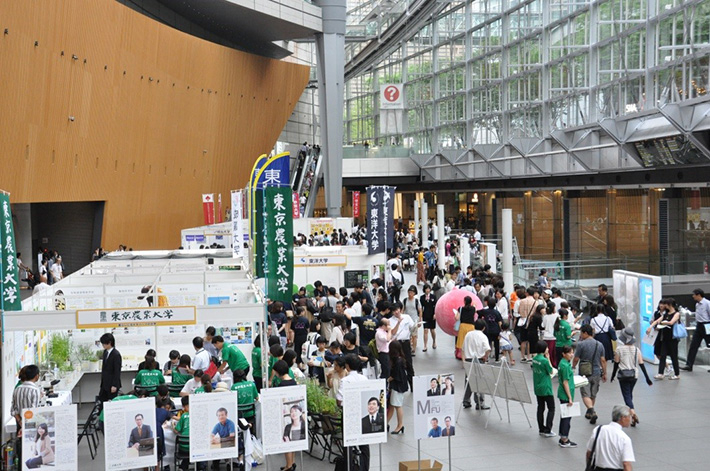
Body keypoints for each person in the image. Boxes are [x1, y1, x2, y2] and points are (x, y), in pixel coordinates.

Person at [611, 327, 653, 426]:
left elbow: (616, 364)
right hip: (634, 375)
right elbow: (641, 364)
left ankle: (632, 414)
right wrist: (647, 378)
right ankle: (631, 415)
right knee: (629, 394)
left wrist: (612, 376)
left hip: (623, 375)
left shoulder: (619, 349)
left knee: (626, 396)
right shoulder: (636, 349)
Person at [573, 325, 607, 425]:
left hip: (584, 372)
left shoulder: (581, 344)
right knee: (593, 393)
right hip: (596, 372)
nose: (581, 335)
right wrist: (604, 373)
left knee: (585, 393)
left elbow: (576, 358)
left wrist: (573, 366)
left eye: (582, 333)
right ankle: (589, 412)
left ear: (586, 333)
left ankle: (591, 410)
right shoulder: (599, 344)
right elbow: (603, 360)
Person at [586, 405, 635, 471]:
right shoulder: (624, 438)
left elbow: (589, 453)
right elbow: (626, 463)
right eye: (629, 416)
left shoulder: (598, 430)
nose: (630, 419)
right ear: (623, 418)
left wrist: (588, 467)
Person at [11, 364, 41, 464]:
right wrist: (25, 426)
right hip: (30, 425)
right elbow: (33, 411)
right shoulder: (35, 390)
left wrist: (20, 423)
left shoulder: (17, 389)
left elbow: (13, 410)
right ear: (36, 376)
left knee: (21, 451)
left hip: (19, 424)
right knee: (32, 451)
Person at [647, 298, 681, 380]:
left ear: (670, 305)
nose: (664, 305)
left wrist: (664, 322)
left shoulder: (676, 314)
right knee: (662, 355)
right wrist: (650, 327)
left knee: (673, 356)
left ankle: (677, 374)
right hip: (665, 338)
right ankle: (660, 373)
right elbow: (657, 321)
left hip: (673, 338)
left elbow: (671, 322)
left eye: (666, 304)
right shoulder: (666, 314)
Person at [462, 319, 491, 410]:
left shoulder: (468, 335)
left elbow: (463, 348)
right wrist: (485, 357)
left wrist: (464, 361)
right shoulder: (483, 336)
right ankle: (479, 402)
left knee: (468, 381)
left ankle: (466, 401)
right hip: (479, 360)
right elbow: (487, 349)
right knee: (479, 382)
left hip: (468, 359)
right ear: (483, 327)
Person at [532, 340, 556, 437]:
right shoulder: (544, 360)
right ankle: (548, 429)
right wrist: (548, 358)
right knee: (551, 408)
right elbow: (550, 370)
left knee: (540, 407)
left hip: (537, 386)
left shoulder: (534, 359)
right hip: (546, 387)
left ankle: (541, 428)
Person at [682, 288, 710, 372]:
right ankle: (689, 364)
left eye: (694, 294)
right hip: (699, 325)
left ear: (698, 295)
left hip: (707, 325)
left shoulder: (707, 303)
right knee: (693, 345)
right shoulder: (697, 304)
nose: (693, 296)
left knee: (709, 345)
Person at [390, 302, 415, 389]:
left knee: (409, 363)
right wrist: (398, 323)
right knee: (398, 364)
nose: (396, 312)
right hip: (397, 344)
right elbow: (393, 332)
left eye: (397, 310)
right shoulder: (390, 320)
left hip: (406, 342)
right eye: (394, 311)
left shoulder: (407, 317)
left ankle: (412, 385)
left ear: (400, 309)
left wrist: (417, 326)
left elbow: (412, 327)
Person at [386, 341, 408, 434]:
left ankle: (400, 425)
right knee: (392, 405)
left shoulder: (397, 361)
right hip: (398, 385)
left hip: (397, 386)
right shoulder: (400, 359)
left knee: (397, 405)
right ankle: (385, 423)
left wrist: (388, 380)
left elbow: (395, 375)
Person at [557, 345, 576, 448]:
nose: (571, 355)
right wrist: (569, 397)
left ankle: (563, 437)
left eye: (572, 352)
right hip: (565, 394)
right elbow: (565, 382)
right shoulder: (565, 366)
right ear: (564, 354)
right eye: (569, 353)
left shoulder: (564, 363)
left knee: (565, 416)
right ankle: (565, 438)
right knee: (567, 418)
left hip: (564, 393)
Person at [99, 333, 122, 402]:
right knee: (102, 401)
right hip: (104, 383)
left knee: (111, 403)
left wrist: (114, 385)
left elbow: (117, 371)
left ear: (109, 343)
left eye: (104, 343)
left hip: (112, 384)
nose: (103, 345)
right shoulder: (105, 352)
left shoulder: (116, 354)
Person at [478, 297, 503, 361]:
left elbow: (478, 312)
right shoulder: (497, 312)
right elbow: (500, 322)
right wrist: (501, 330)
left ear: (487, 304)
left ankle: (486, 357)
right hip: (496, 330)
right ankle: (497, 358)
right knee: (496, 344)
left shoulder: (484, 311)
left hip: (487, 330)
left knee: (487, 344)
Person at [402, 286, 422, 354]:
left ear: (414, 293)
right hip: (407, 320)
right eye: (409, 292)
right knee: (408, 335)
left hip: (414, 320)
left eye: (411, 292)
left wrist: (420, 320)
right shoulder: (405, 300)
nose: (410, 293)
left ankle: (413, 349)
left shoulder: (416, 301)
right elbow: (403, 310)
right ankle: (410, 346)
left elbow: (420, 310)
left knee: (414, 335)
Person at [420, 284, 437, 351]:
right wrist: (420, 316)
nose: (427, 290)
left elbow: (436, 306)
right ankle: (425, 345)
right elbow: (421, 307)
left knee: (432, 330)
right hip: (425, 315)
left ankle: (434, 341)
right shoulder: (422, 297)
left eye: (428, 289)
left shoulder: (433, 297)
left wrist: (435, 314)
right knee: (425, 330)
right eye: (426, 289)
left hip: (432, 315)